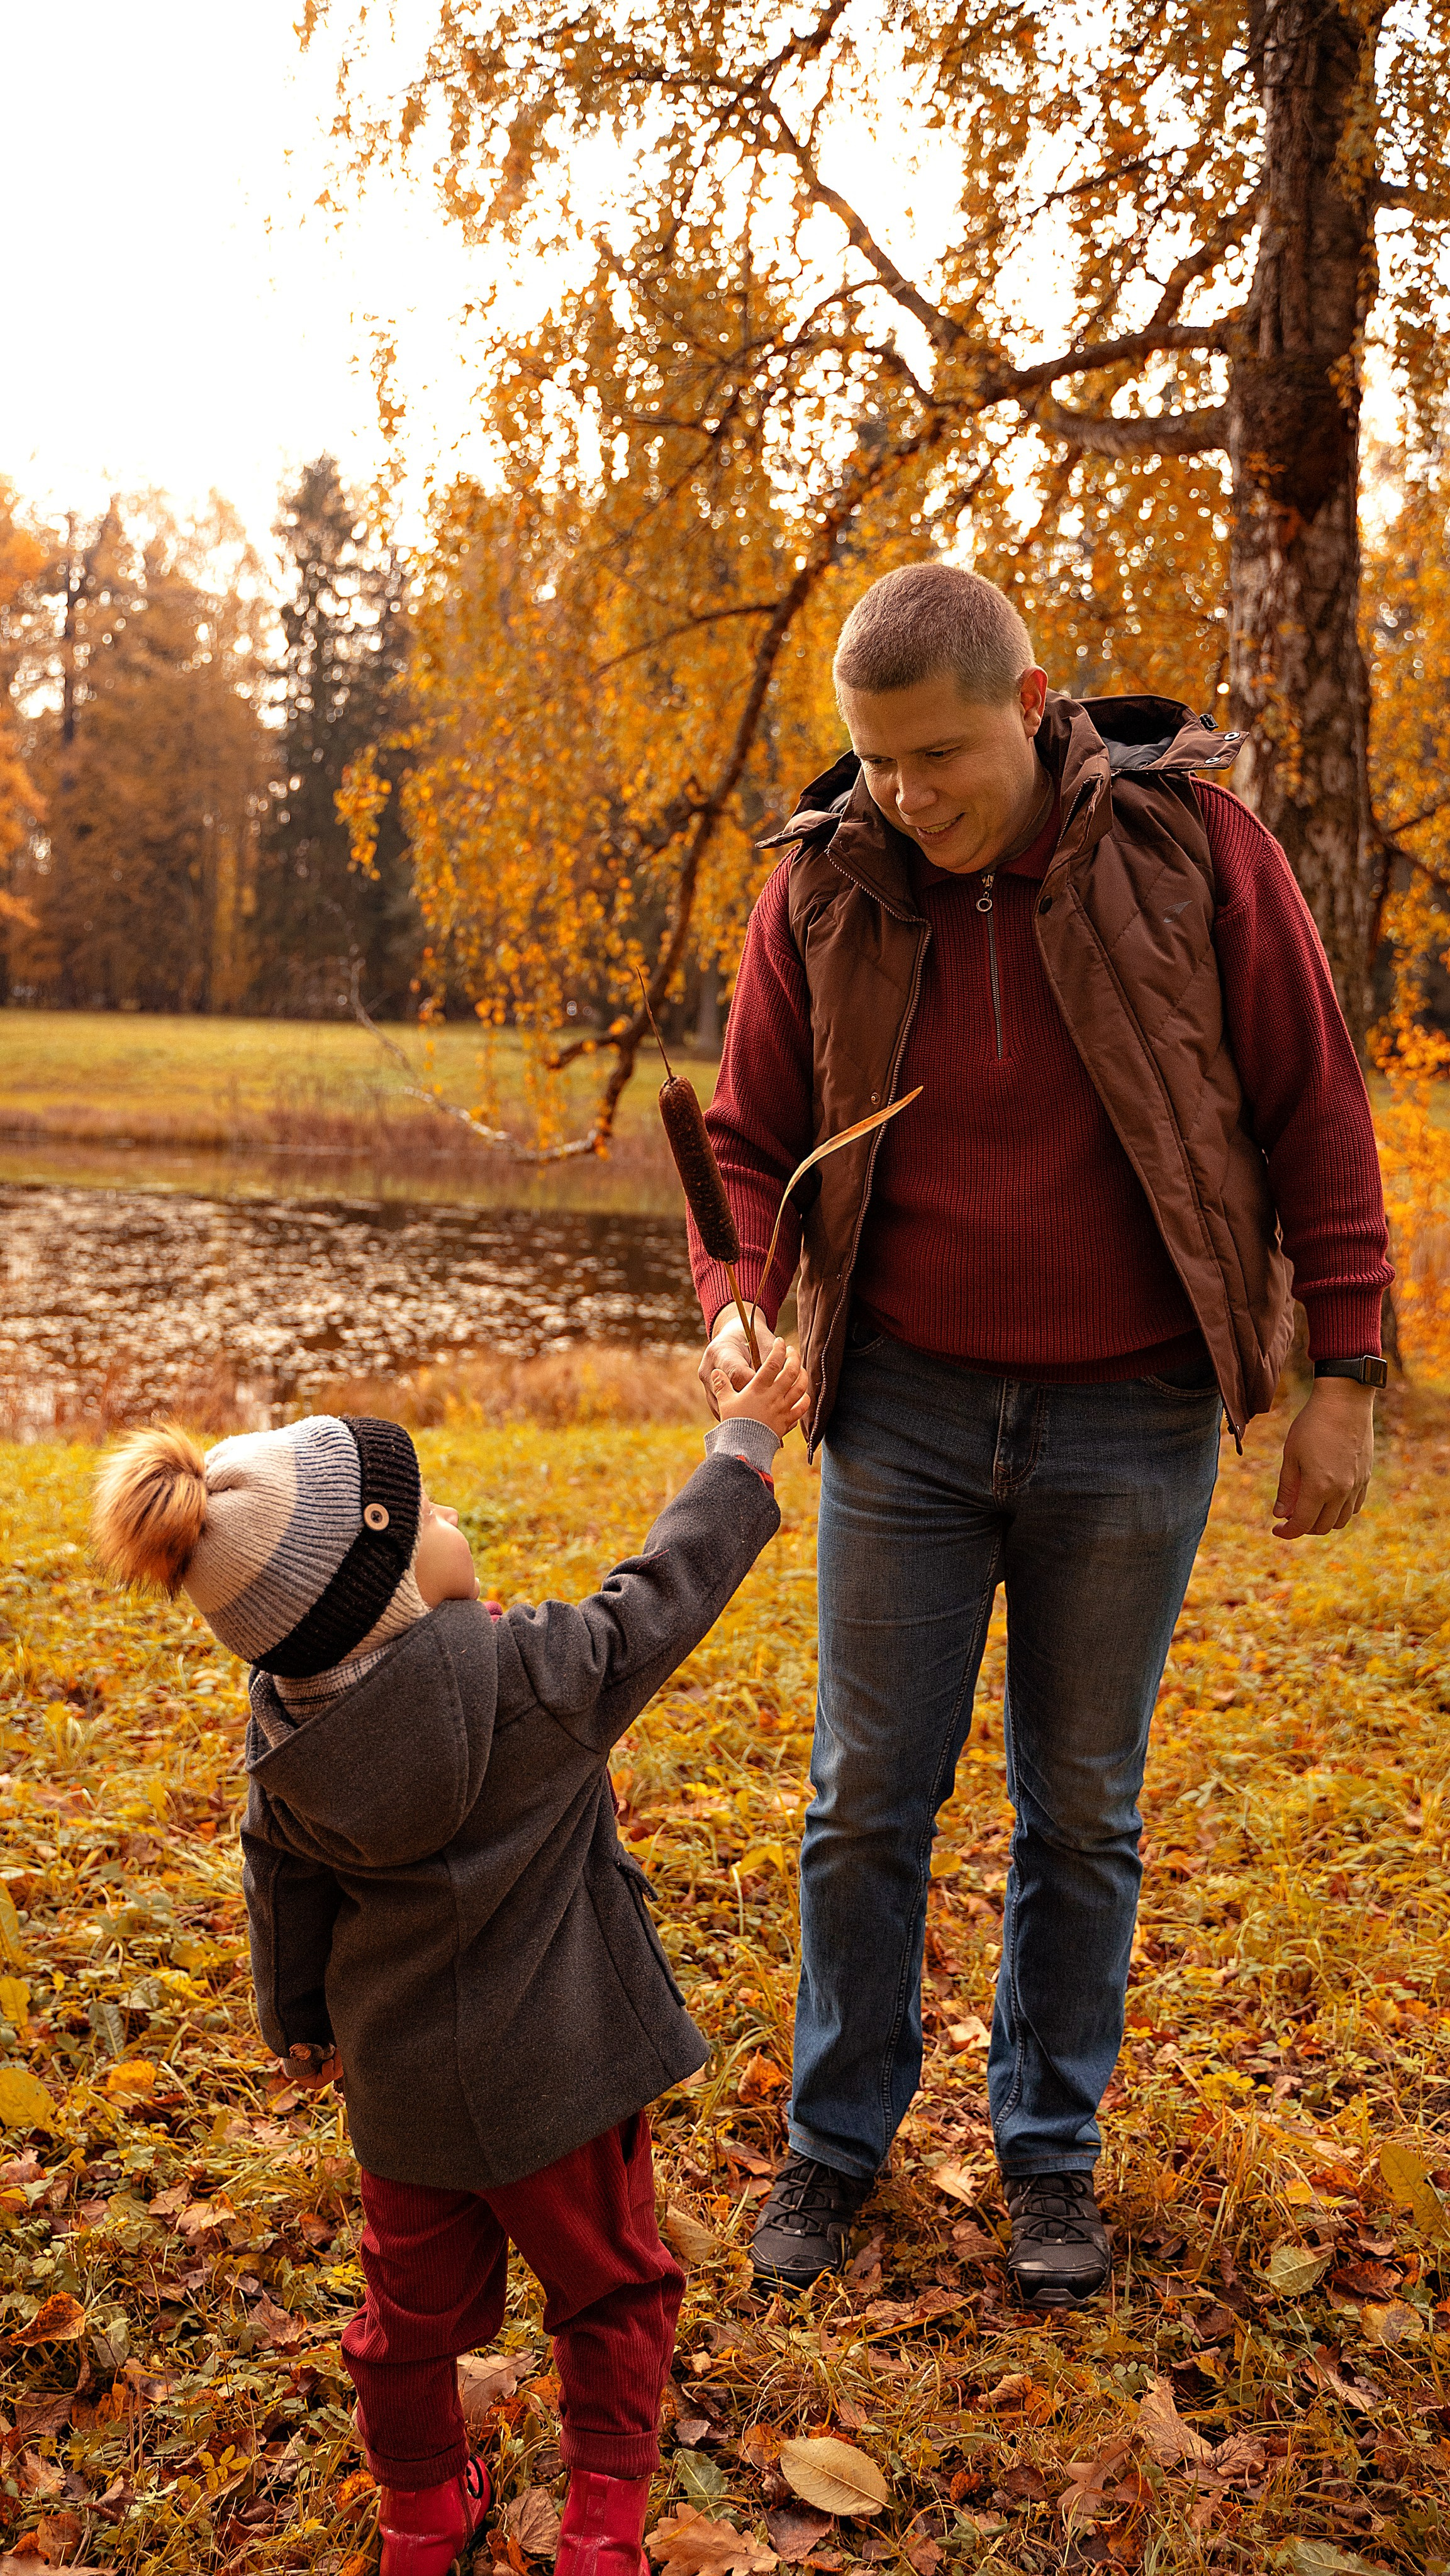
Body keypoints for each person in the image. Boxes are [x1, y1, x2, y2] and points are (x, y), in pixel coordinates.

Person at [692, 561, 1391, 2310]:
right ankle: (835, 2149)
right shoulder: (824, 887)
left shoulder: (1198, 853)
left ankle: (1047, 2161)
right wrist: (734, 1295)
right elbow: (742, 1138)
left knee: (1080, 1811)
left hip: (1133, 1409)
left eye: (935, 758)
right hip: (907, 1411)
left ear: (1025, 705)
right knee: (865, 1804)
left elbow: (1313, 1106)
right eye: (873, 765)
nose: (903, 799)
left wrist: (1345, 1372)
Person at [91, 1341, 808, 2576]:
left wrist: (298, 2023)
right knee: (612, 2290)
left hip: (406, 2096)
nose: (453, 1510)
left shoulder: (287, 1744)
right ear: (384, 1582)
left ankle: (422, 2517)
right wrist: (740, 1446)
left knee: (406, 2322)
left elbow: (283, 1897)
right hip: (566, 2079)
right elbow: (667, 1590)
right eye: (424, 1511)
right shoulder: (535, 1672)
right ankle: (597, 2531)